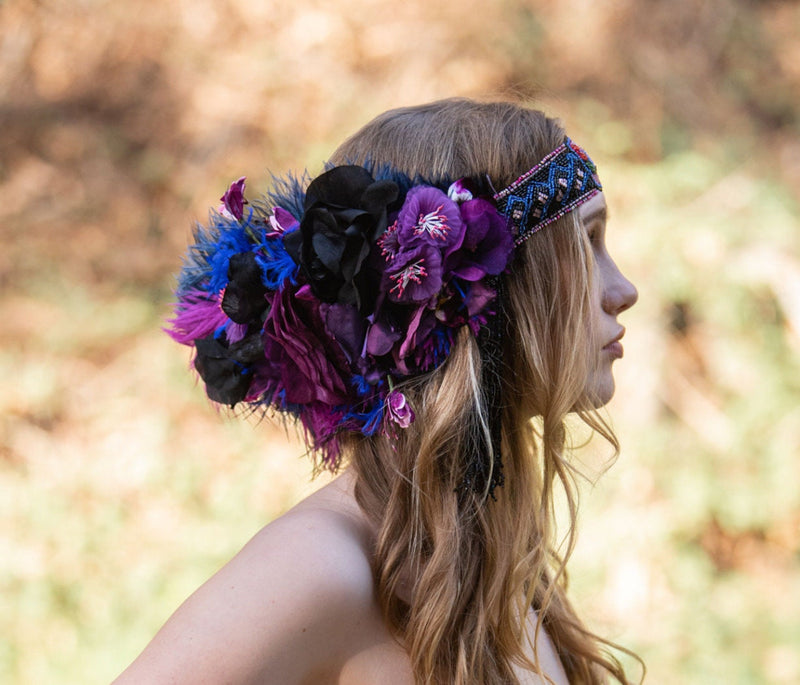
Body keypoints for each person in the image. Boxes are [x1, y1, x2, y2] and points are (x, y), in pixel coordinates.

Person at [115, 98, 639, 684]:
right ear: (486, 286)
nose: (625, 289)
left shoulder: (492, 555)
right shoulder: (322, 565)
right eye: (587, 244)